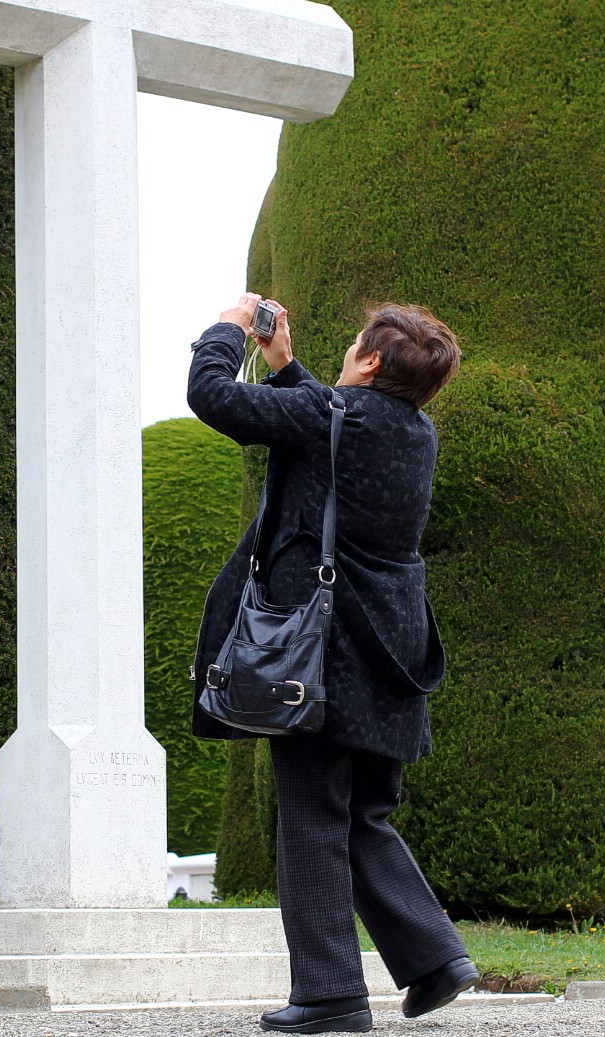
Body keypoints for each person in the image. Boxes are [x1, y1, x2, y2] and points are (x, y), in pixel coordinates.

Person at [187, 293, 475, 1034]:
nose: (347, 352)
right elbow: (328, 424)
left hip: (322, 652)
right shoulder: (414, 432)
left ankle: (329, 995)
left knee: (312, 817)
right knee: (364, 815)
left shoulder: (334, 419)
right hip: (389, 651)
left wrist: (227, 327)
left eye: (354, 345)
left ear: (371, 361)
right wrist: (285, 364)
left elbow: (212, 395)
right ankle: (435, 958)